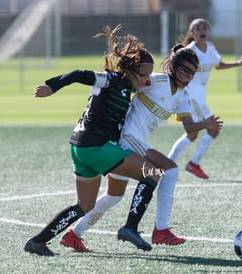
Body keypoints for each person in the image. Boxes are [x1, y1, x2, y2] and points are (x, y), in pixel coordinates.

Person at [59, 44, 223, 252]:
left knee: (114, 196)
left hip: (134, 142)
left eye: (192, 72)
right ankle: (159, 230)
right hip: (126, 137)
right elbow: (126, 81)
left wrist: (206, 124)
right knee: (169, 169)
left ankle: (74, 234)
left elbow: (189, 127)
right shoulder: (156, 81)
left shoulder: (183, 96)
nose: (189, 76)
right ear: (173, 66)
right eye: (185, 70)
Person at [24, 25, 160, 256]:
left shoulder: (125, 87)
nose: (147, 80)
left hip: (79, 146)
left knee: (84, 206)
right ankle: (130, 227)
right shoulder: (111, 80)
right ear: (129, 69)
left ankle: (37, 242)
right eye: (144, 75)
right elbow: (78, 74)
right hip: (95, 145)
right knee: (153, 173)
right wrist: (51, 86)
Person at [168, 18, 242, 179]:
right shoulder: (189, 52)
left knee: (192, 134)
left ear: (209, 32)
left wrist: (238, 63)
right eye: (198, 28)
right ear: (192, 33)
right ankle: (193, 163)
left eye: (205, 27)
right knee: (213, 128)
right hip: (192, 96)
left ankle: (168, 164)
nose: (202, 30)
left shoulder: (210, 48)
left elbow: (218, 65)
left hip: (199, 98)